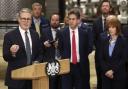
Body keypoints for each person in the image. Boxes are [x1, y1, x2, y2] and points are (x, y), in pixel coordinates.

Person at [3, 8, 42, 89]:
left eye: (28, 19)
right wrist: (12, 52)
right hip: (16, 80)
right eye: (23, 18)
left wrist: (37, 61)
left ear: (31, 21)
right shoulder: (10, 35)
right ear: (19, 20)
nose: (26, 21)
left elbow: (40, 53)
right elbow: (5, 57)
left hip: (32, 77)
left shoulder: (35, 35)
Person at [58, 9, 91, 89]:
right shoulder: (62, 32)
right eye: (70, 19)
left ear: (78, 20)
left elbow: (88, 48)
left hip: (81, 66)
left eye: (73, 19)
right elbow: (60, 48)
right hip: (67, 66)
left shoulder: (84, 33)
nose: (71, 21)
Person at [99, 15, 126, 89]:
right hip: (106, 76)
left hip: (118, 76)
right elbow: (101, 58)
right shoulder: (104, 41)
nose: (110, 29)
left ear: (117, 28)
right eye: (109, 27)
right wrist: (107, 70)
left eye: (113, 27)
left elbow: (123, 59)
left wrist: (112, 70)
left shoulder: (123, 41)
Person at [93, 0, 112, 89]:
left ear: (110, 8)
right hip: (99, 55)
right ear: (101, 8)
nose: (105, 7)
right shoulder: (96, 22)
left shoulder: (114, 20)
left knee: (111, 78)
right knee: (100, 78)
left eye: (107, 6)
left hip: (112, 54)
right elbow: (94, 38)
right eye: (103, 6)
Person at [40, 13, 61, 89]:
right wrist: (44, 45)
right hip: (49, 62)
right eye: (53, 20)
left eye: (56, 20)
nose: (54, 22)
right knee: (51, 84)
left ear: (59, 21)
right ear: (50, 21)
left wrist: (60, 46)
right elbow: (39, 47)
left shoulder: (63, 32)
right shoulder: (44, 31)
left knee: (60, 84)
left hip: (61, 62)